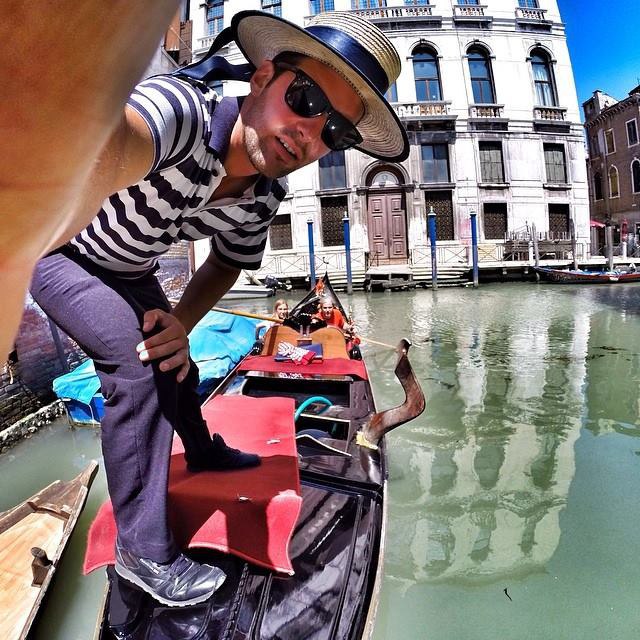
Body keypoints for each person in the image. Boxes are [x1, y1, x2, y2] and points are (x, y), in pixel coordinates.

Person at [28, 9, 409, 607]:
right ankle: (142, 552)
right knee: (137, 367)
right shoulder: (181, 113)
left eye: (334, 132)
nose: (309, 134)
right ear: (261, 79)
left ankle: (202, 450)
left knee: (176, 361)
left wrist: (181, 326)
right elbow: (116, 140)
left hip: (131, 269)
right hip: (59, 252)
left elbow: (226, 262)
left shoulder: (264, 196)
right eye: (305, 98)